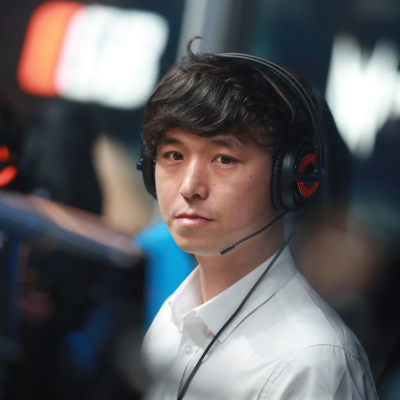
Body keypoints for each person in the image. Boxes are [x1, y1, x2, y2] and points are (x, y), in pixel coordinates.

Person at [138, 41, 378, 399]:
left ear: (289, 179)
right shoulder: (172, 316)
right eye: (174, 155)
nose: (189, 188)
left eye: (223, 159)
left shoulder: (311, 363)